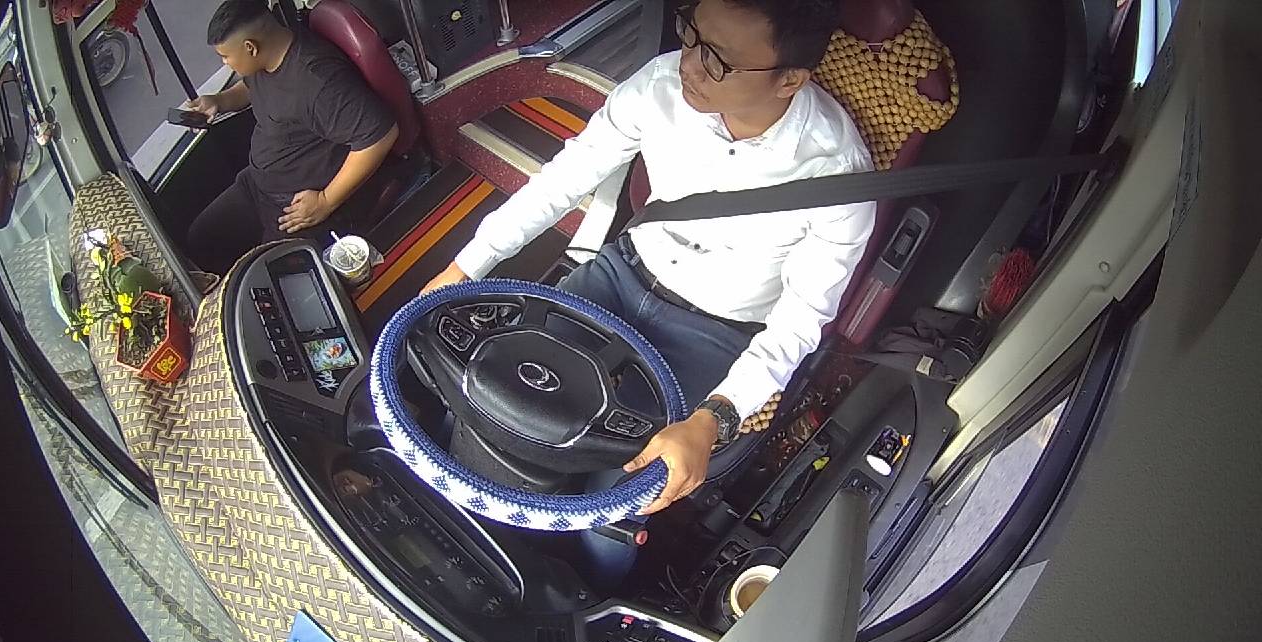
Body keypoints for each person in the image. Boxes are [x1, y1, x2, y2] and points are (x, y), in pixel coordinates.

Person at [424, 0, 875, 520]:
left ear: (789, 79)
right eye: (691, 34)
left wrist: (713, 419)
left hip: (715, 331)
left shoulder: (837, 176)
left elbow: (801, 318)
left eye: (718, 60)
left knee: (628, 486)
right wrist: (465, 268)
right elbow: (564, 179)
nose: (690, 64)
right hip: (620, 272)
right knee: (491, 387)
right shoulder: (660, 83)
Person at [183, 0, 398, 274]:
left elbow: (380, 135)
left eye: (225, 56)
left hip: (296, 205)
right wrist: (218, 101)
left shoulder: (319, 82)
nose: (225, 63)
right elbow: (250, 89)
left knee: (264, 277)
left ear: (250, 47)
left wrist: (325, 201)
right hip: (257, 184)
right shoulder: (265, 60)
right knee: (201, 239)